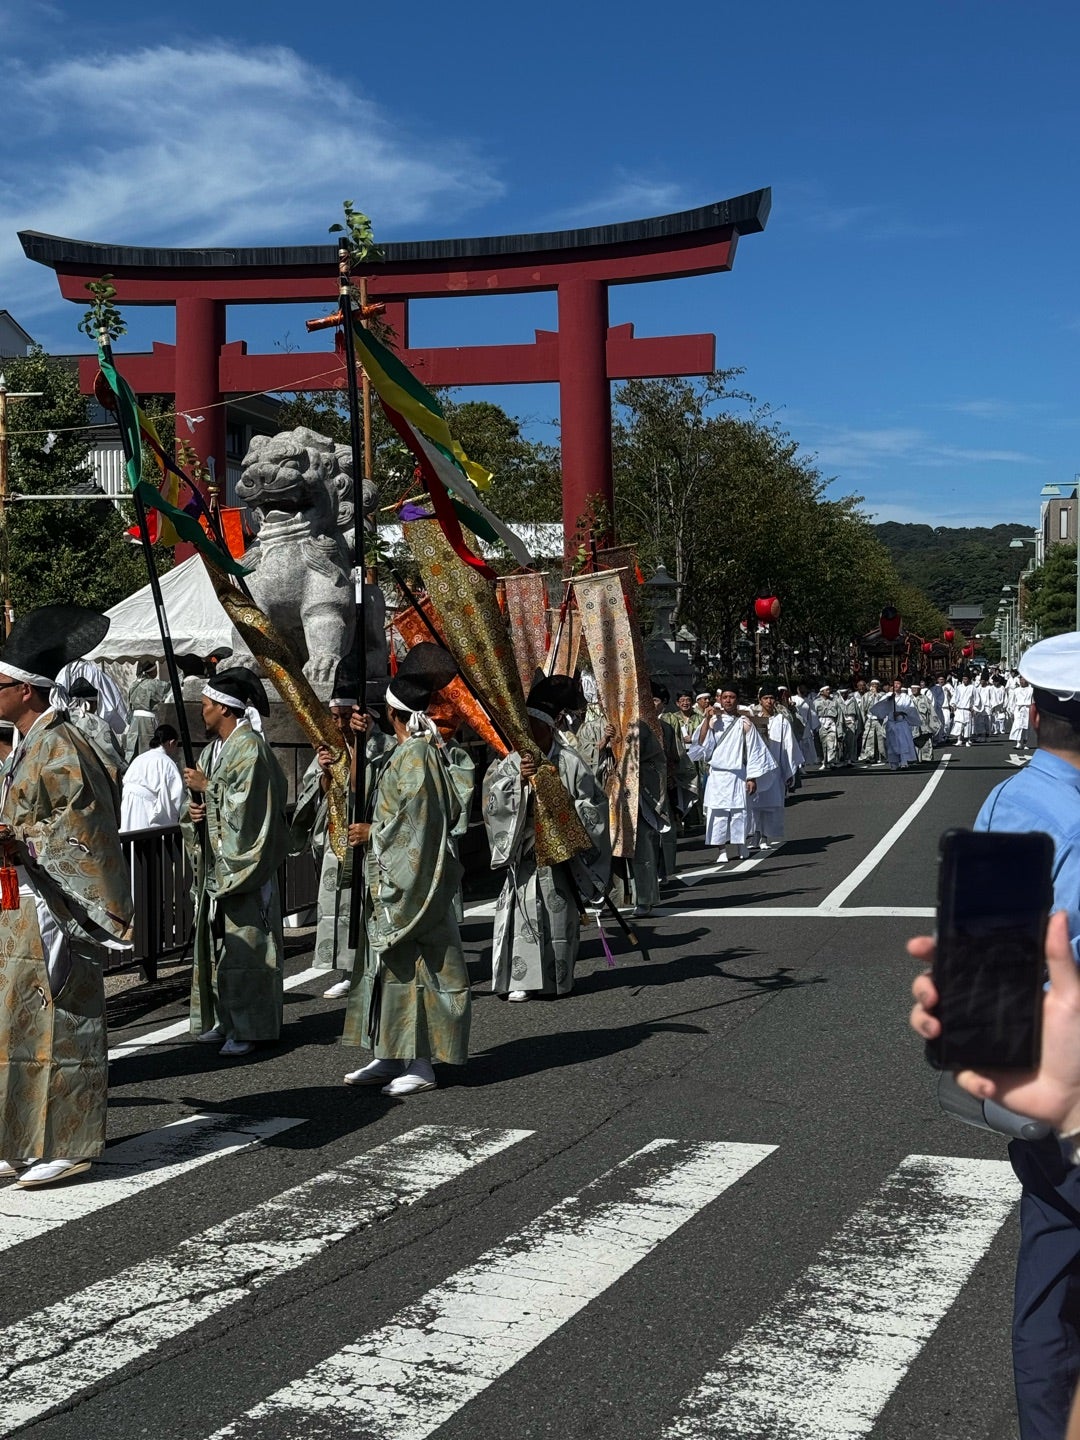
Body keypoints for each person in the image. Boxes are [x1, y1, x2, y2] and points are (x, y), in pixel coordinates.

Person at [923, 634, 1080, 1440]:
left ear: (1034, 711)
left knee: (1053, 1273)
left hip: (1033, 1074)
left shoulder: (1009, 801)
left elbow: (980, 955)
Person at [0, 606, 132, 1189]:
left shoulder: (62, 745)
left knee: (61, 1017)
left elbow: (82, 827)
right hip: (21, 895)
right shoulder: (28, 744)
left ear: (27, 692)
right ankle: (21, 1135)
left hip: (53, 897)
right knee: (20, 1021)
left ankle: (67, 1140)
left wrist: (19, 836)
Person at [342, 644, 472, 1093]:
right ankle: (389, 1051)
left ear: (392, 714)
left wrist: (372, 836)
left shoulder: (416, 755)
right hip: (395, 876)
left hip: (411, 878)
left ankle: (420, 1062)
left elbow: (414, 824)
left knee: (417, 967)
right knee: (389, 966)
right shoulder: (409, 750)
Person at [182, 667, 289, 1059]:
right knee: (222, 947)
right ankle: (228, 1018)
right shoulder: (216, 750)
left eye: (207, 705)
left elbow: (248, 810)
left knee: (248, 946)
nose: (202, 712)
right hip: (219, 866)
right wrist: (196, 810)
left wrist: (208, 791)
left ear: (225, 710)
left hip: (245, 866)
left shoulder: (251, 750)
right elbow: (209, 805)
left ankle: (252, 1026)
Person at [483, 673, 611, 999]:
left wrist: (564, 818)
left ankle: (556, 979)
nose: (528, 736)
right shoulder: (512, 762)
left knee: (557, 913)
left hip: (560, 855)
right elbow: (492, 800)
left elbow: (592, 803)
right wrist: (519, 784)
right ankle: (521, 981)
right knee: (523, 914)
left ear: (549, 728)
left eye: (535, 728)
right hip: (524, 850)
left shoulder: (568, 761)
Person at [289, 661, 393, 1000]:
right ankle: (347, 969)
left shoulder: (383, 746)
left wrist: (359, 749)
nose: (336, 723)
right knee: (341, 906)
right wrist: (322, 775)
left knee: (370, 906)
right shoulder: (330, 746)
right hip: (338, 838)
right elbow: (314, 792)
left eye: (342, 716)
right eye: (333, 716)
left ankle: (376, 966)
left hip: (371, 837)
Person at [688, 684, 777, 864]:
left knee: (740, 812)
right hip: (718, 775)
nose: (728, 700)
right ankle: (721, 849)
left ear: (737, 700)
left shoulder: (744, 723)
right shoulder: (713, 720)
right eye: (725, 697)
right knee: (718, 812)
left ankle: (741, 844)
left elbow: (754, 750)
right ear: (720, 699)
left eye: (732, 697)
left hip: (738, 774)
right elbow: (702, 744)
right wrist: (706, 719)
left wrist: (751, 776)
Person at [749, 687, 800, 850]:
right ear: (759, 700)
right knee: (754, 805)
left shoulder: (781, 720)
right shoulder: (753, 720)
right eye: (765, 698)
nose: (769, 701)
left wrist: (789, 771)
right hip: (757, 770)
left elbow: (788, 746)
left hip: (775, 768)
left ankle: (764, 837)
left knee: (770, 805)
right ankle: (754, 835)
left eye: (771, 698)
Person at [120, 724, 184, 831]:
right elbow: (176, 795)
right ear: (171, 743)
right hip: (145, 807)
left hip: (128, 803)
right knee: (143, 837)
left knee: (129, 835)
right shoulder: (166, 762)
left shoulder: (139, 758)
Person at [125, 660, 172, 759]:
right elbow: (170, 692)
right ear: (152, 671)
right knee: (148, 749)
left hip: (134, 720)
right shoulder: (155, 684)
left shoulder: (134, 684)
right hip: (147, 721)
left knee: (134, 749)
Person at [870, 678, 919, 771]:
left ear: (901, 685)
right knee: (892, 744)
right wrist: (889, 700)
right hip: (891, 723)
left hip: (901, 723)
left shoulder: (905, 697)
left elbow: (910, 709)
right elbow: (880, 706)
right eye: (895, 684)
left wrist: (901, 712)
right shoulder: (888, 695)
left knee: (903, 743)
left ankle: (904, 762)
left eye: (898, 683)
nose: (896, 685)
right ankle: (893, 763)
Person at [908, 680, 942, 763]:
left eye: (916, 688)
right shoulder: (908, 699)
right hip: (912, 725)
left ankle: (926, 759)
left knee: (926, 742)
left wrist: (933, 724)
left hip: (924, 726)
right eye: (912, 688)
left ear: (919, 689)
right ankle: (915, 759)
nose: (914, 690)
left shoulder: (925, 698)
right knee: (913, 743)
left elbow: (931, 712)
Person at [858, 679, 888, 765]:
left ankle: (882, 756)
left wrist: (876, 695)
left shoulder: (882, 695)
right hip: (870, 719)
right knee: (869, 738)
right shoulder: (866, 696)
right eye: (872, 685)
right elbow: (863, 709)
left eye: (875, 685)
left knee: (881, 738)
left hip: (880, 720)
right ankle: (869, 756)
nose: (873, 686)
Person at [814, 684, 843, 769]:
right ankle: (824, 761)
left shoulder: (834, 701)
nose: (829, 691)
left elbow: (839, 715)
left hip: (831, 723)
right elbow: (814, 715)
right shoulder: (816, 702)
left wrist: (839, 727)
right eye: (826, 690)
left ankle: (831, 761)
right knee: (823, 743)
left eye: (829, 690)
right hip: (821, 723)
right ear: (822, 692)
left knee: (832, 743)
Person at [951, 671, 976, 747]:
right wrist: (953, 704)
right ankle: (959, 740)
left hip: (967, 709)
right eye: (963, 679)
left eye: (966, 679)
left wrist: (974, 708)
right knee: (959, 725)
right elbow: (955, 697)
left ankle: (968, 740)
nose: (964, 680)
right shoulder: (959, 687)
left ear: (969, 679)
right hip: (959, 709)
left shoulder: (972, 688)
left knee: (967, 725)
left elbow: (976, 699)